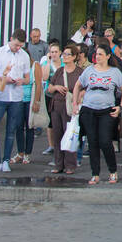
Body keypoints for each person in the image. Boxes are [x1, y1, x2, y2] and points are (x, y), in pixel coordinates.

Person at [78, 43, 122, 184]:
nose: (98, 56)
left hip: (107, 110)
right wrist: (76, 104)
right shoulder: (89, 70)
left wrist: (121, 106)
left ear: (107, 56)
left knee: (105, 141)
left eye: (100, 54)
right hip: (89, 109)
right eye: (96, 54)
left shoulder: (114, 72)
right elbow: (78, 85)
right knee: (92, 141)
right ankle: (95, 173)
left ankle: (112, 171)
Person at [0, 29, 31, 172]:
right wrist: (4, 78)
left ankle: (5, 160)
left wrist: (21, 80)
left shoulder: (24, 56)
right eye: (16, 45)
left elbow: (28, 78)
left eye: (20, 46)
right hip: (0, 95)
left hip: (16, 97)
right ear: (11, 39)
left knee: (11, 129)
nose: (17, 48)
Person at [44, 43, 81, 174]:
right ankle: (58, 164)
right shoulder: (60, 71)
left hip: (71, 107)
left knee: (69, 134)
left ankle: (70, 164)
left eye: (67, 54)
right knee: (57, 134)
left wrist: (77, 99)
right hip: (57, 105)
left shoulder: (79, 72)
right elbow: (49, 87)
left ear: (74, 57)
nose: (64, 56)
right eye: (63, 54)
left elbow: (84, 89)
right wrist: (56, 88)